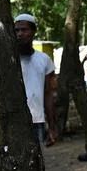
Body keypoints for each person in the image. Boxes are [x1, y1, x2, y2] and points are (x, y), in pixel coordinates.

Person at [15, 13, 58, 147]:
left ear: (33, 32)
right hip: (13, 122)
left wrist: (52, 126)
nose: (20, 34)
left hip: (36, 121)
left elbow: (48, 94)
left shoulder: (44, 60)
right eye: (17, 30)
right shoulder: (7, 60)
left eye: (24, 30)